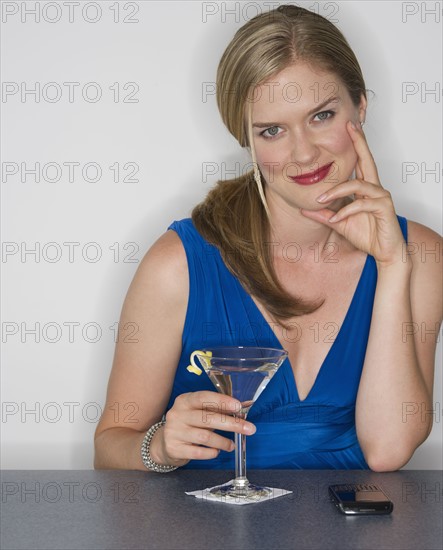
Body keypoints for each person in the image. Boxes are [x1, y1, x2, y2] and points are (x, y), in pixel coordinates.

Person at [94, 5, 442, 472]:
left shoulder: (421, 256)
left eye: (321, 115)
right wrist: (157, 447)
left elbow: (387, 451)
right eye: (272, 130)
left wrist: (393, 266)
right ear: (248, 140)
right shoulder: (177, 265)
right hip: (202, 535)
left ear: (360, 106)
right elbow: (109, 449)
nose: (303, 152)